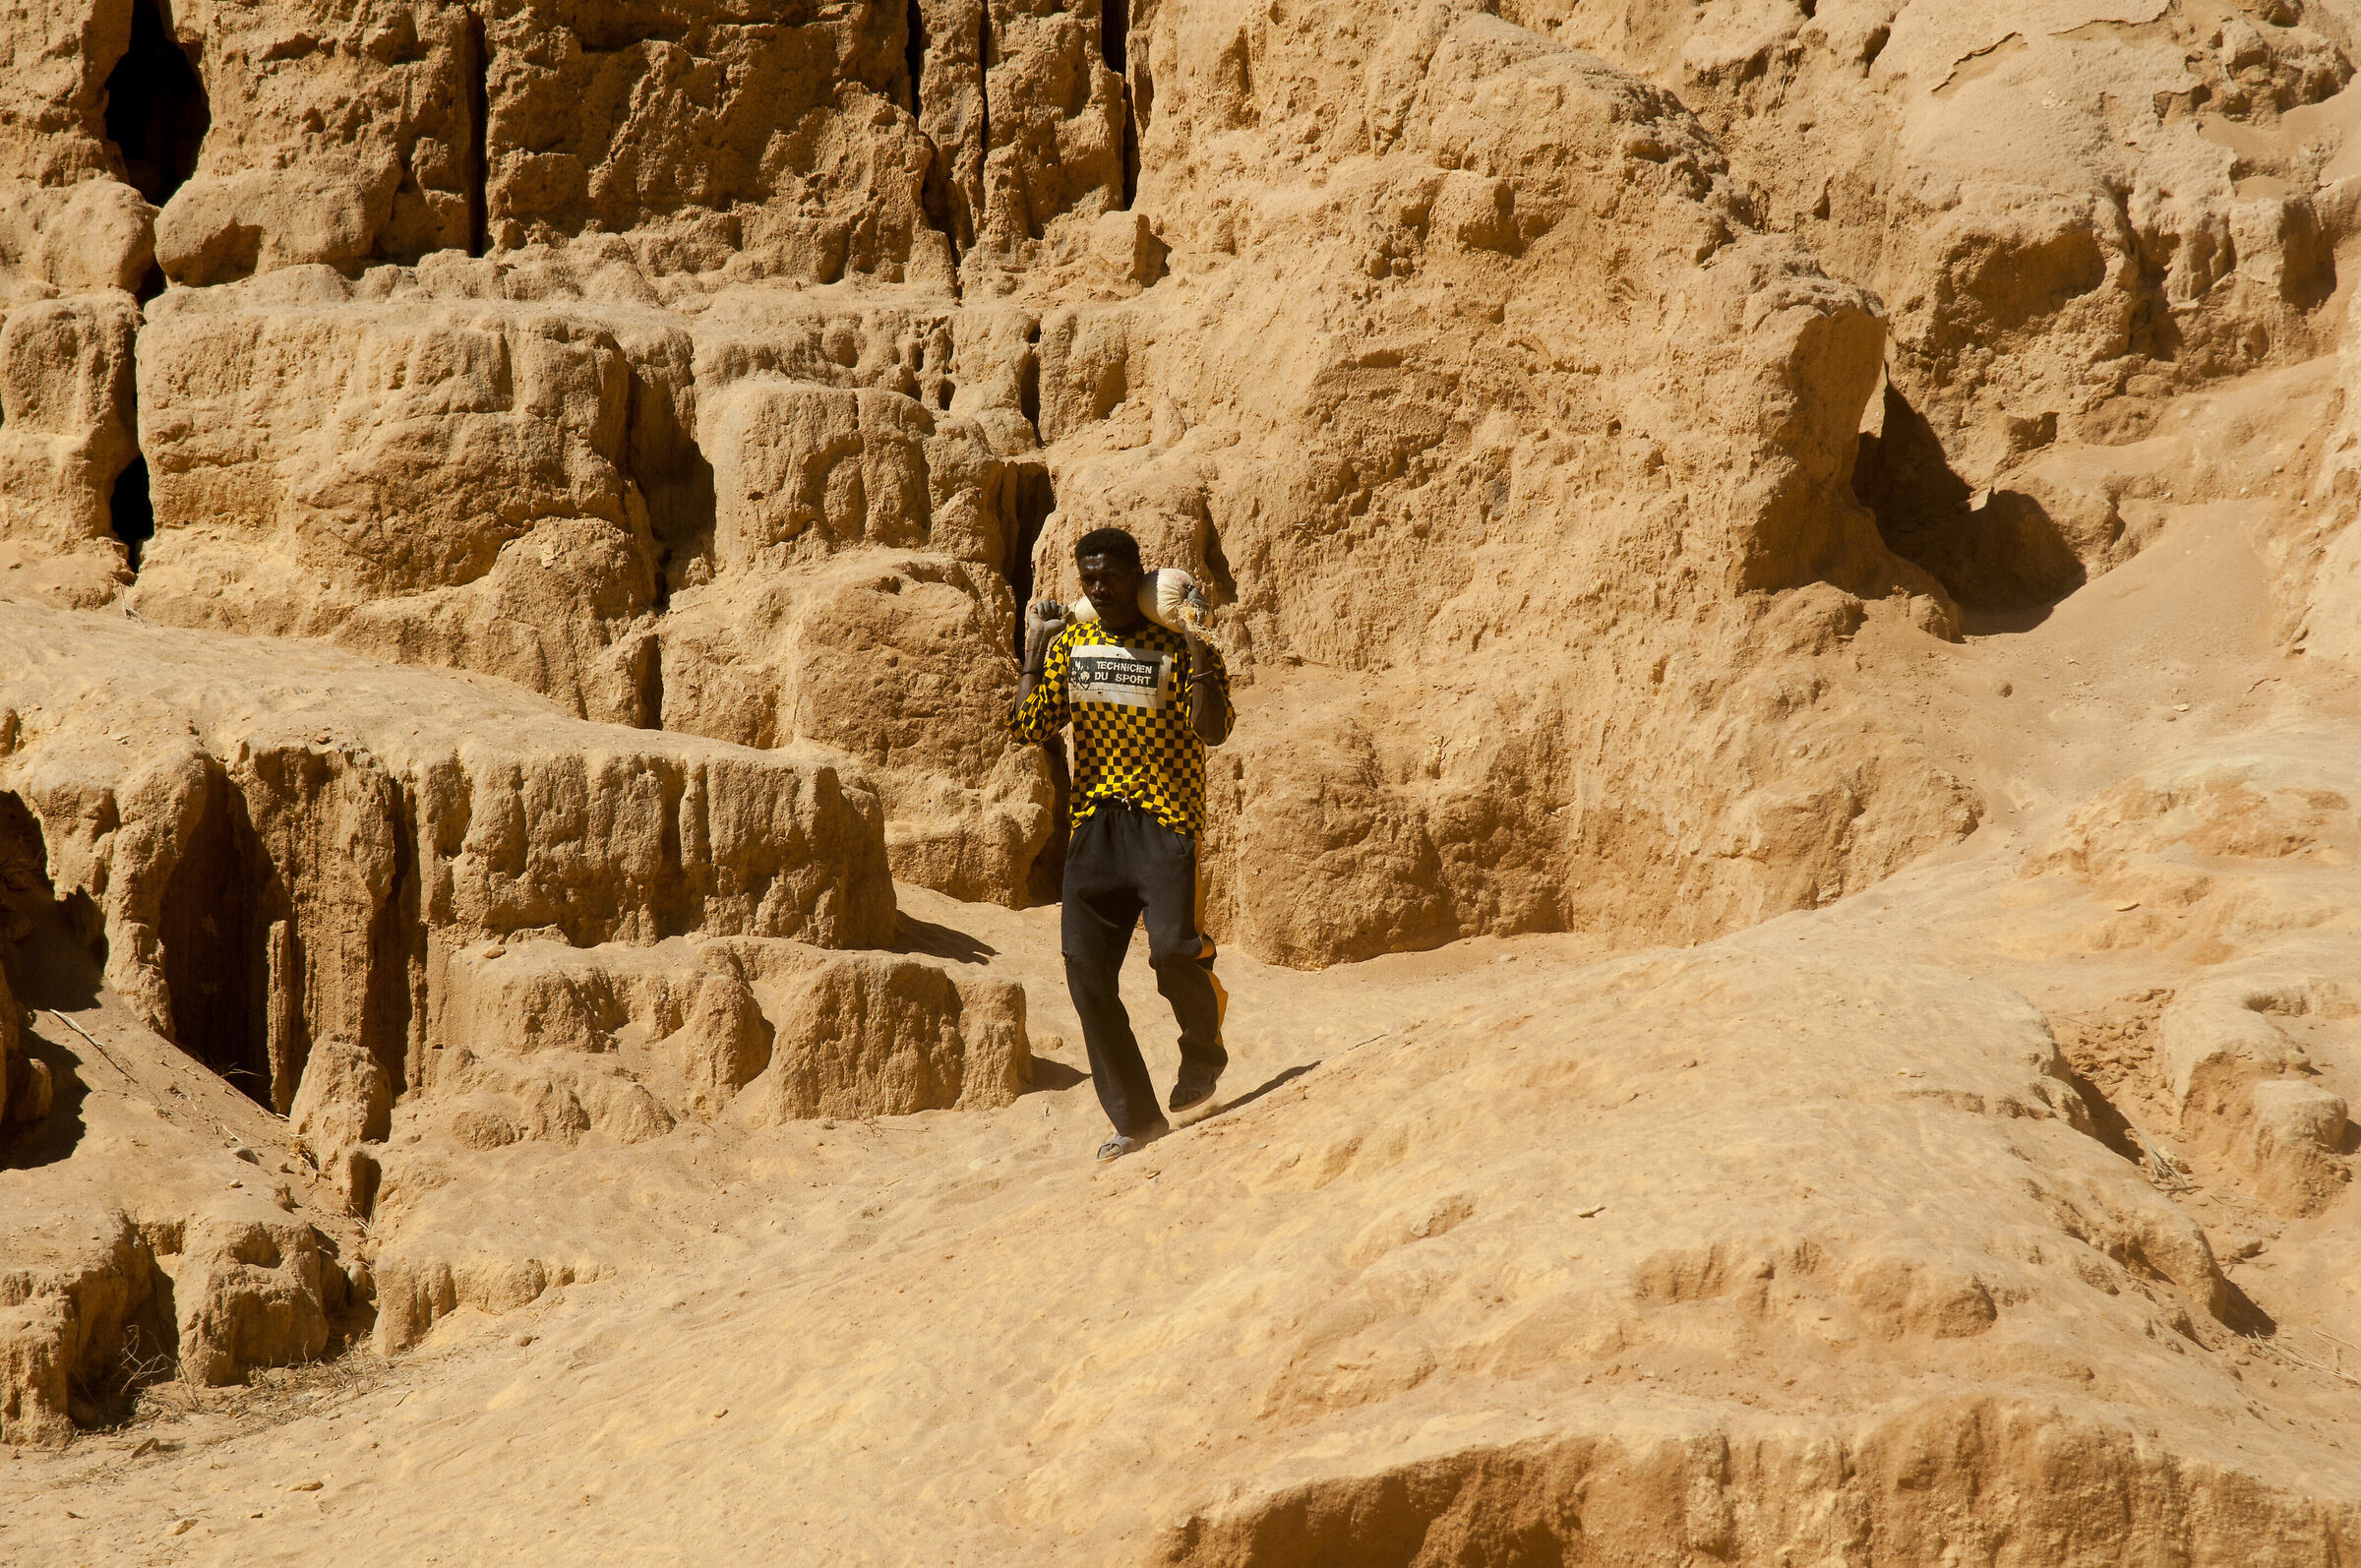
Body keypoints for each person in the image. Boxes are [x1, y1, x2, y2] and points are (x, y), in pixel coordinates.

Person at [1006, 527, 1236, 1163]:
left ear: (1137, 575)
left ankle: (1203, 1053)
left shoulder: (1177, 640)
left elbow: (1213, 730)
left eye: (1111, 576)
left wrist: (1197, 644)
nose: (1100, 588)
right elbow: (1027, 726)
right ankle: (1137, 1120)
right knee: (1085, 973)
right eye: (1090, 579)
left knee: (1173, 952)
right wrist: (1035, 648)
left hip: (1166, 821)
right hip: (1095, 826)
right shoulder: (1073, 643)